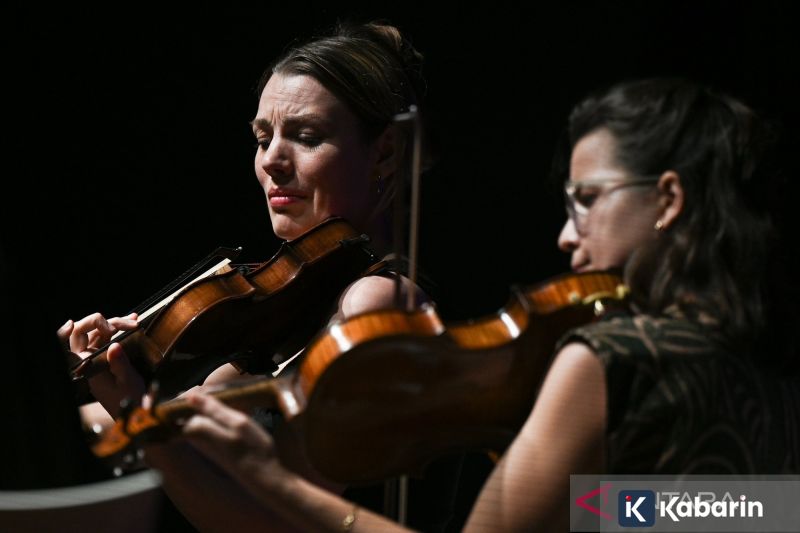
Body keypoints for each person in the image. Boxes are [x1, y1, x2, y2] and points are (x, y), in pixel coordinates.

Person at [151, 77, 800, 531]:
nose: (566, 235)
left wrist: (269, 478)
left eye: (587, 200)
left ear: (668, 199)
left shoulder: (605, 359)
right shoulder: (767, 371)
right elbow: (693, 514)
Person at [58, 20, 478, 533]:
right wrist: (81, 386)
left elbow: (272, 521)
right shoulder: (294, 304)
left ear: (386, 152)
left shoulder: (379, 303)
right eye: (263, 138)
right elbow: (132, 430)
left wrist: (134, 416)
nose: (272, 160)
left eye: (306, 137)